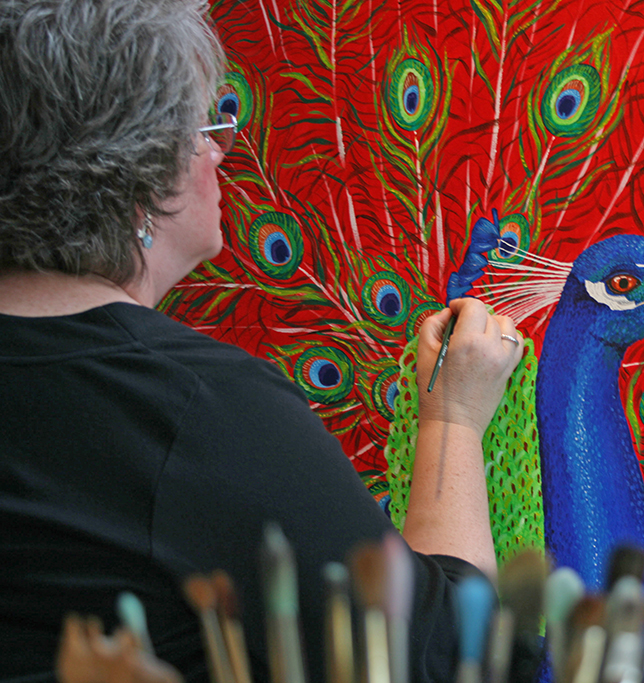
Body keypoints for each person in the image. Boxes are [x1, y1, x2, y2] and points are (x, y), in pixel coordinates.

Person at [0, 1, 524, 681]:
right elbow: (450, 655)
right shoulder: (196, 417)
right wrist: (452, 419)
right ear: (138, 175)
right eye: (201, 127)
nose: (219, 150)